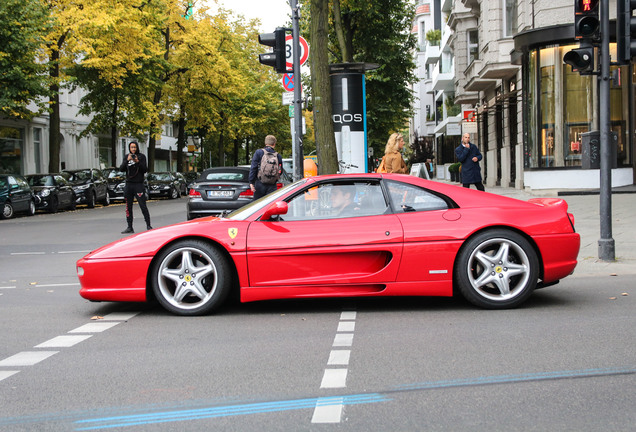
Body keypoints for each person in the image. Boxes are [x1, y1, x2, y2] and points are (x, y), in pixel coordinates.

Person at [120, 141, 152, 233]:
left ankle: (148, 225)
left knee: (143, 205)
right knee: (128, 206)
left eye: (134, 147)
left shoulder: (141, 157)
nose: (133, 149)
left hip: (138, 184)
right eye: (131, 147)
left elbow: (145, 169)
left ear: (137, 147)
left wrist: (137, 161)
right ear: (129, 148)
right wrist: (127, 160)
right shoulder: (127, 157)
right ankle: (129, 227)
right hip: (129, 184)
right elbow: (121, 169)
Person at [249, 135, 283, 200]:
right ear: (274, 144)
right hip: (272, 184)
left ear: (265, 143)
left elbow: (253, 168)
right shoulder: (278, 155)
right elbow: (280, 171)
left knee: (257, 205)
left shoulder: (259, 152)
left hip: (259, 183)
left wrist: (251, 182)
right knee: (270, 205)